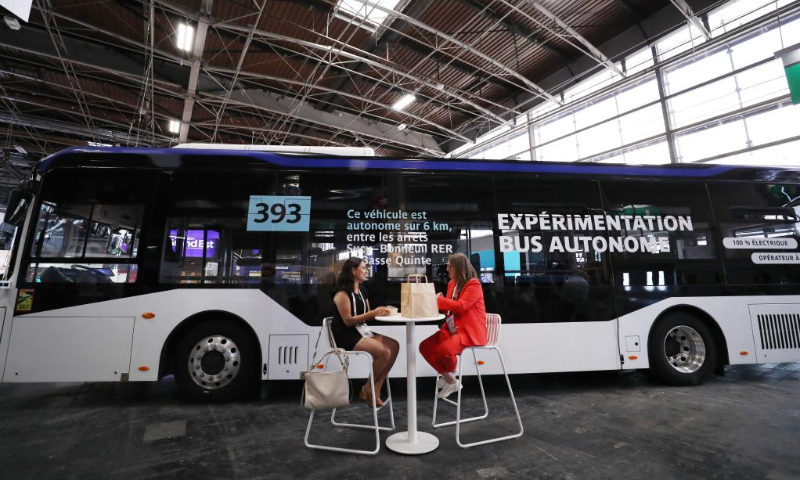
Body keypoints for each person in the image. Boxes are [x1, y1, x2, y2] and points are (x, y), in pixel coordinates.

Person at [331, 257, 399, 407]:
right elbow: (348, 321)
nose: (366, 270)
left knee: (394, 346)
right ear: (353, 271)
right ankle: (367, 388)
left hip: (362, 330)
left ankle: (376, 388)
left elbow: (366, 315)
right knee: (384, 353)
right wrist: (373, 313)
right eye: (363, 267)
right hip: (346, 334)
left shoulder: (362, 290)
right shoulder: (342, 293)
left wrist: (380, 312)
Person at [419, 252, 487, 399]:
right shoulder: (452, 284)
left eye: (450, 266)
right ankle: (451, 380)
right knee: (425, 347)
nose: (447, 269)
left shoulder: (473, 284)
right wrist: (441, 300)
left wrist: (438, 300)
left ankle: (450, 376)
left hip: (469, 332)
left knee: (445, 351)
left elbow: (461, 306)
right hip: (452, 329)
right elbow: (449, 309)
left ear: (459, 268)